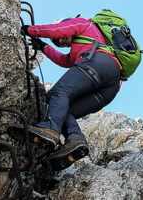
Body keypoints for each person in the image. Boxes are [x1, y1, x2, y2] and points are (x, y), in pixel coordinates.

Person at [19, 17, 122, 170]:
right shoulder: (86, 45)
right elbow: (64, 61)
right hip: (110, 88)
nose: (61, 42)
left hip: (98, 64)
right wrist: (44, 47)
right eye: (59, 43)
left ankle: (49, 129)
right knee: (64, 109)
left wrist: (28, 30)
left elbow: (56, 30)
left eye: (60, 39)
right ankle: (75, 139)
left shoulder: (83, 24)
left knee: (58, 92)